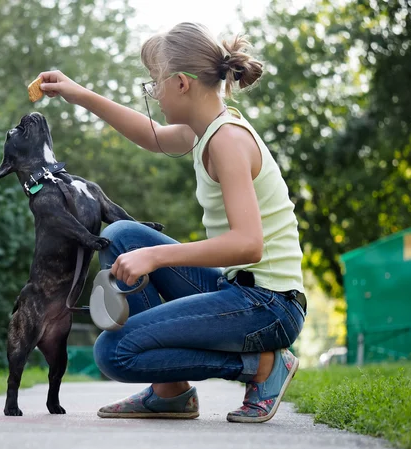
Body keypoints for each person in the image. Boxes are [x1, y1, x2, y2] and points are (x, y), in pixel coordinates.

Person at [38, 22, 306, 422]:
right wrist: (78, 93)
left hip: (270, 305)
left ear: (181, 83)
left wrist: (158, 257)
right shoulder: (204, 133)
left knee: (114, 353)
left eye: (154, 83)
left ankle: (261, 366)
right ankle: (171, 393)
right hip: (240, 289)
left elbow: (250, 244)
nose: (153, 93)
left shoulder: (229, 142)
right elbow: (152, 135)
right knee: (120, 237)